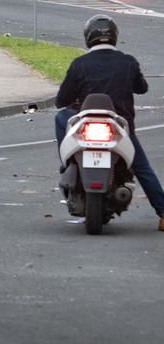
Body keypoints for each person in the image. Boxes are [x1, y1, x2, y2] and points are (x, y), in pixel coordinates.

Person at [55, 14, 164, 231]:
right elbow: (142, 88)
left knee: (61, 118)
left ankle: (67, 161)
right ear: (114, 36)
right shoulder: (128, 61)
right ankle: (162, 211)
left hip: (84, 128)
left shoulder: (79, 64)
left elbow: (61, 100)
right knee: (142, 168)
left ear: (88, 37)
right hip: (119, 128)